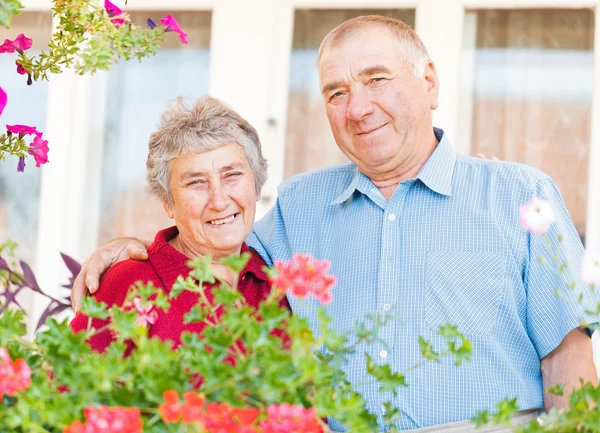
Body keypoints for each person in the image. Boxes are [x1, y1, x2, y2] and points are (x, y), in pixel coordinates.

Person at [70, 15, 598, 432]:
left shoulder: (520, 196)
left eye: (377, 80)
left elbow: (568, 367)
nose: (358, 107)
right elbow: (213, 239)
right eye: (336, 92)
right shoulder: (300, 207)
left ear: (429, 82)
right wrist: (131, 248)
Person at [71, 96, 290, 352]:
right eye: (196, 182)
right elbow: (64, 386)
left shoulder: (275, 283)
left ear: (256, 185)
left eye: (232, 175)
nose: (219, 201)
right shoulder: (129, 283)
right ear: (167, 202)